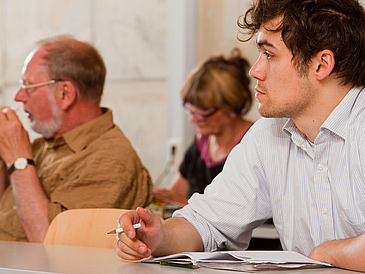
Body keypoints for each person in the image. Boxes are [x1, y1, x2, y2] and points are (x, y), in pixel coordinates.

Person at [114, 0, 365, 272]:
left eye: (269, 55)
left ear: (321, 64)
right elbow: (209, 222)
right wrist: (160, 236)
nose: (254, 70)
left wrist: (327, 252)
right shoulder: (266, 135)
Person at [0, 35, 153, 243]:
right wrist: (4, 160)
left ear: (65, 94)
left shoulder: (110, 160)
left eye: (28, 86)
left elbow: (50, 242)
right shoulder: (42, 145)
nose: (18, 96)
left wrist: (18, 160)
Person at [154, 48, 254, 206]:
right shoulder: (200, 146)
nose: (192, 119)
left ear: (232, 108)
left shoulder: (255, 145)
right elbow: (175, 194)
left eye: (203, 112)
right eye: (190, 110)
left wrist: (187, 205)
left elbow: (242, 213)